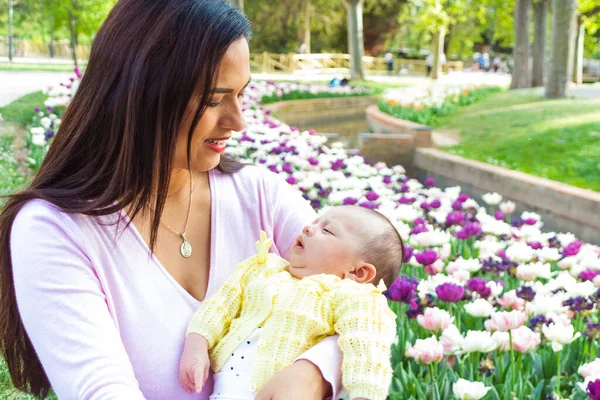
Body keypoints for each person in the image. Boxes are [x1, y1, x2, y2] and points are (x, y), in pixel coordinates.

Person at [0, 1, 345, 399]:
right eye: (215, 100)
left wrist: (311, 372)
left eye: (241, 95)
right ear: (145, 93)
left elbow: (359, 304)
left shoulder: (260, 196)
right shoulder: (55, 230)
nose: (238, 121)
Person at [180, 206, 403, 400]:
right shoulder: (261, 268)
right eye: (314, 222)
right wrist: (197, 342)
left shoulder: (350, 296)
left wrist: (364, 394)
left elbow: (366, 345)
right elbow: (220, 306)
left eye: (327, 230)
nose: (308, 228)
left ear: (358, 272)